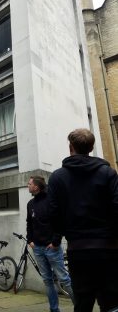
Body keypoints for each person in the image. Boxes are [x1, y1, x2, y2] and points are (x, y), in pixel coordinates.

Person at [48, 128, 118, 312]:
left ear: (70, 147)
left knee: (83, 303)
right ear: (92, 147)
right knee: (111, 303)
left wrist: (60, 235)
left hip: (78, 250)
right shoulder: (108, 173)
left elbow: (53, 215)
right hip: (108, 249)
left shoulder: (57, 177)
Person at [26, 176, 74, 312]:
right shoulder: (30, 204)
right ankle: (54, 309)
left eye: (29, 184)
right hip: (38, 248)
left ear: (36, 186)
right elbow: (29, 223)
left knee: (64, 279)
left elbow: (59, 220)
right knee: (47, 281)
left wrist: (56, 242)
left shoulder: (50, 200)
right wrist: (30, 240)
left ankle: (80, 307)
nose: (27, 186)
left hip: (51, 247)